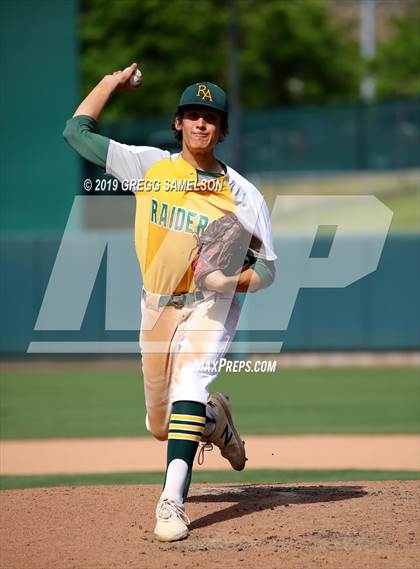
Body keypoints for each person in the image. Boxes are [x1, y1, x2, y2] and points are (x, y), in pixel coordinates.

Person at [63, 63, 277, 542]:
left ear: (222, 130)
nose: (202, 123)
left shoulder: (244, 195)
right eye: (193, 114)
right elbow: (76, 133)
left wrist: (230, 282)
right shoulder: (149, 166)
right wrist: (111, 83)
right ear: (178, 122)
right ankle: (215, 420)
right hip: (157, 306)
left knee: (191, 382)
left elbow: (267, 269)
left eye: (212, 117)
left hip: (209, 303)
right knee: (160, 424)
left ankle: (172, 500)